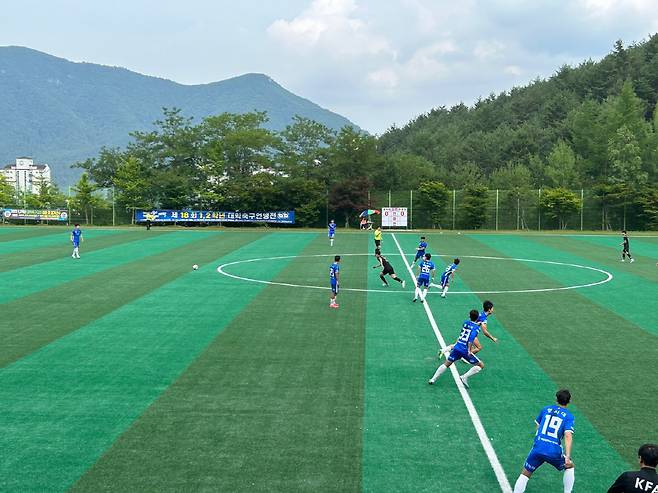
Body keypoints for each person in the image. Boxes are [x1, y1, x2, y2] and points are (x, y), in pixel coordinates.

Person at [512, 389, 575, 493]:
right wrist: (567, 456)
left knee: (525, 473)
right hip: (553, 451)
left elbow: (538, 426)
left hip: (538, 447)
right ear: (569, 401)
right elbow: (568, 435)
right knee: (570, 466)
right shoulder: (569, 416)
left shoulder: (546, 409)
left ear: (556, 399)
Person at [428, 309, 485, 388]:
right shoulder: (476, 329)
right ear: (478, 317)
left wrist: (477, 324)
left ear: (469, 316)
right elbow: (471, 339)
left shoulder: (465, 323)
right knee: (481, 365)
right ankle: (464, 377)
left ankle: (433, 379)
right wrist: (469, 350)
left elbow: (471, 326)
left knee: (447, 363)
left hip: (457, 346)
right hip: (464, 350)